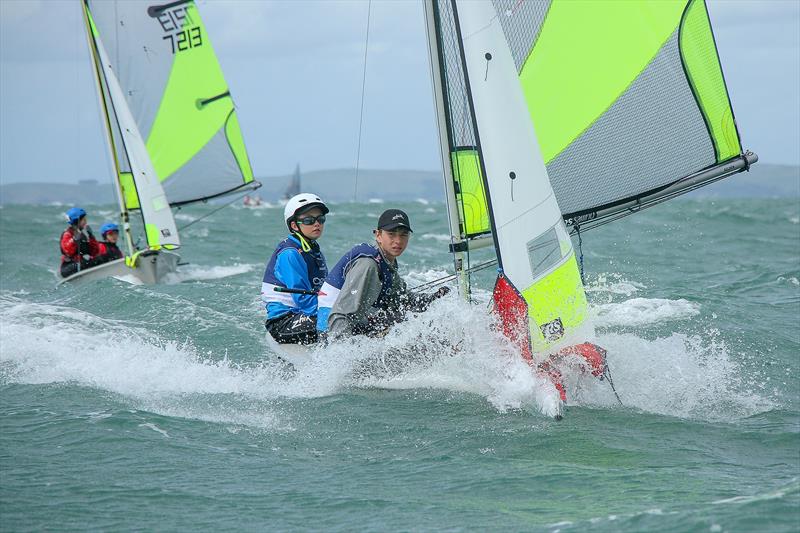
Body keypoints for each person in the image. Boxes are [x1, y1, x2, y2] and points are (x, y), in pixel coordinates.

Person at [317, 209, 449, 340]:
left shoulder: (385, 261)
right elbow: (340, 315)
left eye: (403, 235)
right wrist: (340, 353)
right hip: (329, 331)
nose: (398, 241)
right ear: (378, 235)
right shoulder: (368, 265)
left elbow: (402, 299)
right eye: (391, 234)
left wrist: (433, 298)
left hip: (355, 324)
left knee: (407, 321)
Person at [261, 193, 329, 344]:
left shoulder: (312, 249)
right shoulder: (290, 253)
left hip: (301, 315)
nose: (316, 224)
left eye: (320, 219)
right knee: (339, 322)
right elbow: (304, 301)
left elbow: (325, 291)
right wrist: (333, 313)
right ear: (294, 225)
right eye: (309, 220)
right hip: (283, 323)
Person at [59, 207, 102, 278]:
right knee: (84, 263)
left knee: (99, 260)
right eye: (83, 219)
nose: (86, 222)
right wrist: (74, 239)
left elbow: (94, 252)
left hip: (80, 264)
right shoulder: (67, 234)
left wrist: (91, 236)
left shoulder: (82, 235)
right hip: (68, 267)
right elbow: (68, 251)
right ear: (76, 221)